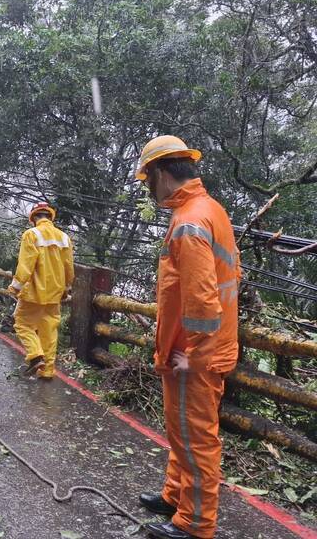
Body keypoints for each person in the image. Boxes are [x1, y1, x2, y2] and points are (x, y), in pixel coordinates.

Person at [135, 136, 241, 539]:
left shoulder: (190, 222)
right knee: (182, 430)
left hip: (195, 356)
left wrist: (193, 356)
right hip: (198, 349)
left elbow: (202, 301)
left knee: (196, 439)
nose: (149, 187)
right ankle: (175, 496)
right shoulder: (208, 209)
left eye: (148, 179)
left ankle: (195, 524)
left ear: (162, 174)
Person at [7, 202, 74, 379]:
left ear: (34, 218)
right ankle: (47, 370)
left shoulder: (32, 234)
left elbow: (26, 264)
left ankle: (35, 356)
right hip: (55, 294)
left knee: (22, 323)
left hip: (33, 292)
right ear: (50, 216)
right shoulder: (64, 237)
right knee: (49, 331)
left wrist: (15, 287)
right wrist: (66, 289)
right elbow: (69, 268)